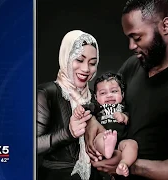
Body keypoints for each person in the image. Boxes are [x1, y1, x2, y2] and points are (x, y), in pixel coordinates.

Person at [85, 0, 168, 179]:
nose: (131, 46)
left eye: (137, 38)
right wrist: (92, 120)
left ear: (165, 26)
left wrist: (131, 165)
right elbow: (103, 99)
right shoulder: (134, 65)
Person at [37, 30, 100, 180]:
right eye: (79, 59)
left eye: (92, 63)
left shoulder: (94, 97)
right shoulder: (46, 93)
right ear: (66, 57)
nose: (86, 69)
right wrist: (68, 133)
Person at [74, 72, 138, 177]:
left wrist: (123, 117)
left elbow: (127, 119)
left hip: (121, 142)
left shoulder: (122, 107)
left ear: (122, 94)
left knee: (132, 144)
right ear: (96, 96)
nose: (109, 95)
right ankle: (107, 149)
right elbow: (86, 108)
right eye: (103, 93)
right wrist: (80, 109)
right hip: (103, 136)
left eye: (114, 91)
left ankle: (123, 164)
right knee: (100, 138)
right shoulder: (97, 107)